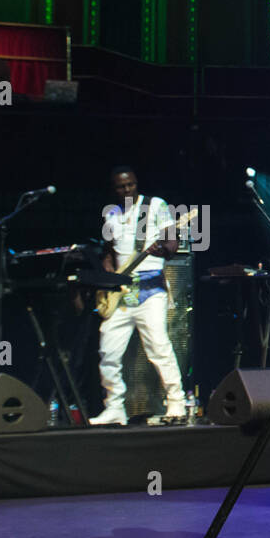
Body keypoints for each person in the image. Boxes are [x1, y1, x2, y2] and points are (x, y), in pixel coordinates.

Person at [89, 166, 187, 425]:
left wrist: (160, 250)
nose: (127, 190)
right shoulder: (111, 213)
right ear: (114, 189)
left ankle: (176, 403)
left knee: (158, 346)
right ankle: (114, 407)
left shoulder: (155, 206)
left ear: (136, 183)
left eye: (130, 185)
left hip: (150, 290)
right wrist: (109, 271)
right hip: (122, 293)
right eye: (121, 187)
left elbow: (171, 244)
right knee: (108, 351)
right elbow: (109, 251)